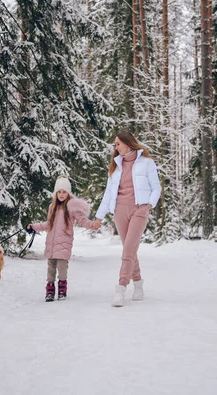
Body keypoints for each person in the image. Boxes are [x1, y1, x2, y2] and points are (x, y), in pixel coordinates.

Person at [93, 130, 161, 307]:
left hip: (139, 209)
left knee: (128, 250)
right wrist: (99, 216)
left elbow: (156, 188)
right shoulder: (115, 166)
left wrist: (148, 205)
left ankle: (120, 289)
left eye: (117, 144)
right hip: (119, 211)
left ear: (127, 143)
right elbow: (108, 193)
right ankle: (138, 284)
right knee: (130, 250)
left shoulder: (147, 163)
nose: (115, 147)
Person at [27, 176, 96, 302]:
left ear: (68, 193)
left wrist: (92, 225)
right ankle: (50, 291)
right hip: (51, 244)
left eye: (64, 191)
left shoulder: (71, 207)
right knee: (51, 269)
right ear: (56, 193)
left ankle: (62, 290)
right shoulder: (52, 207)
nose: (62, 194)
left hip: (64, 244)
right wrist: (34, 227)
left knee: (62, 268)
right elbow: (48, 224)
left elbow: (82, 220)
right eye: (59, 191)